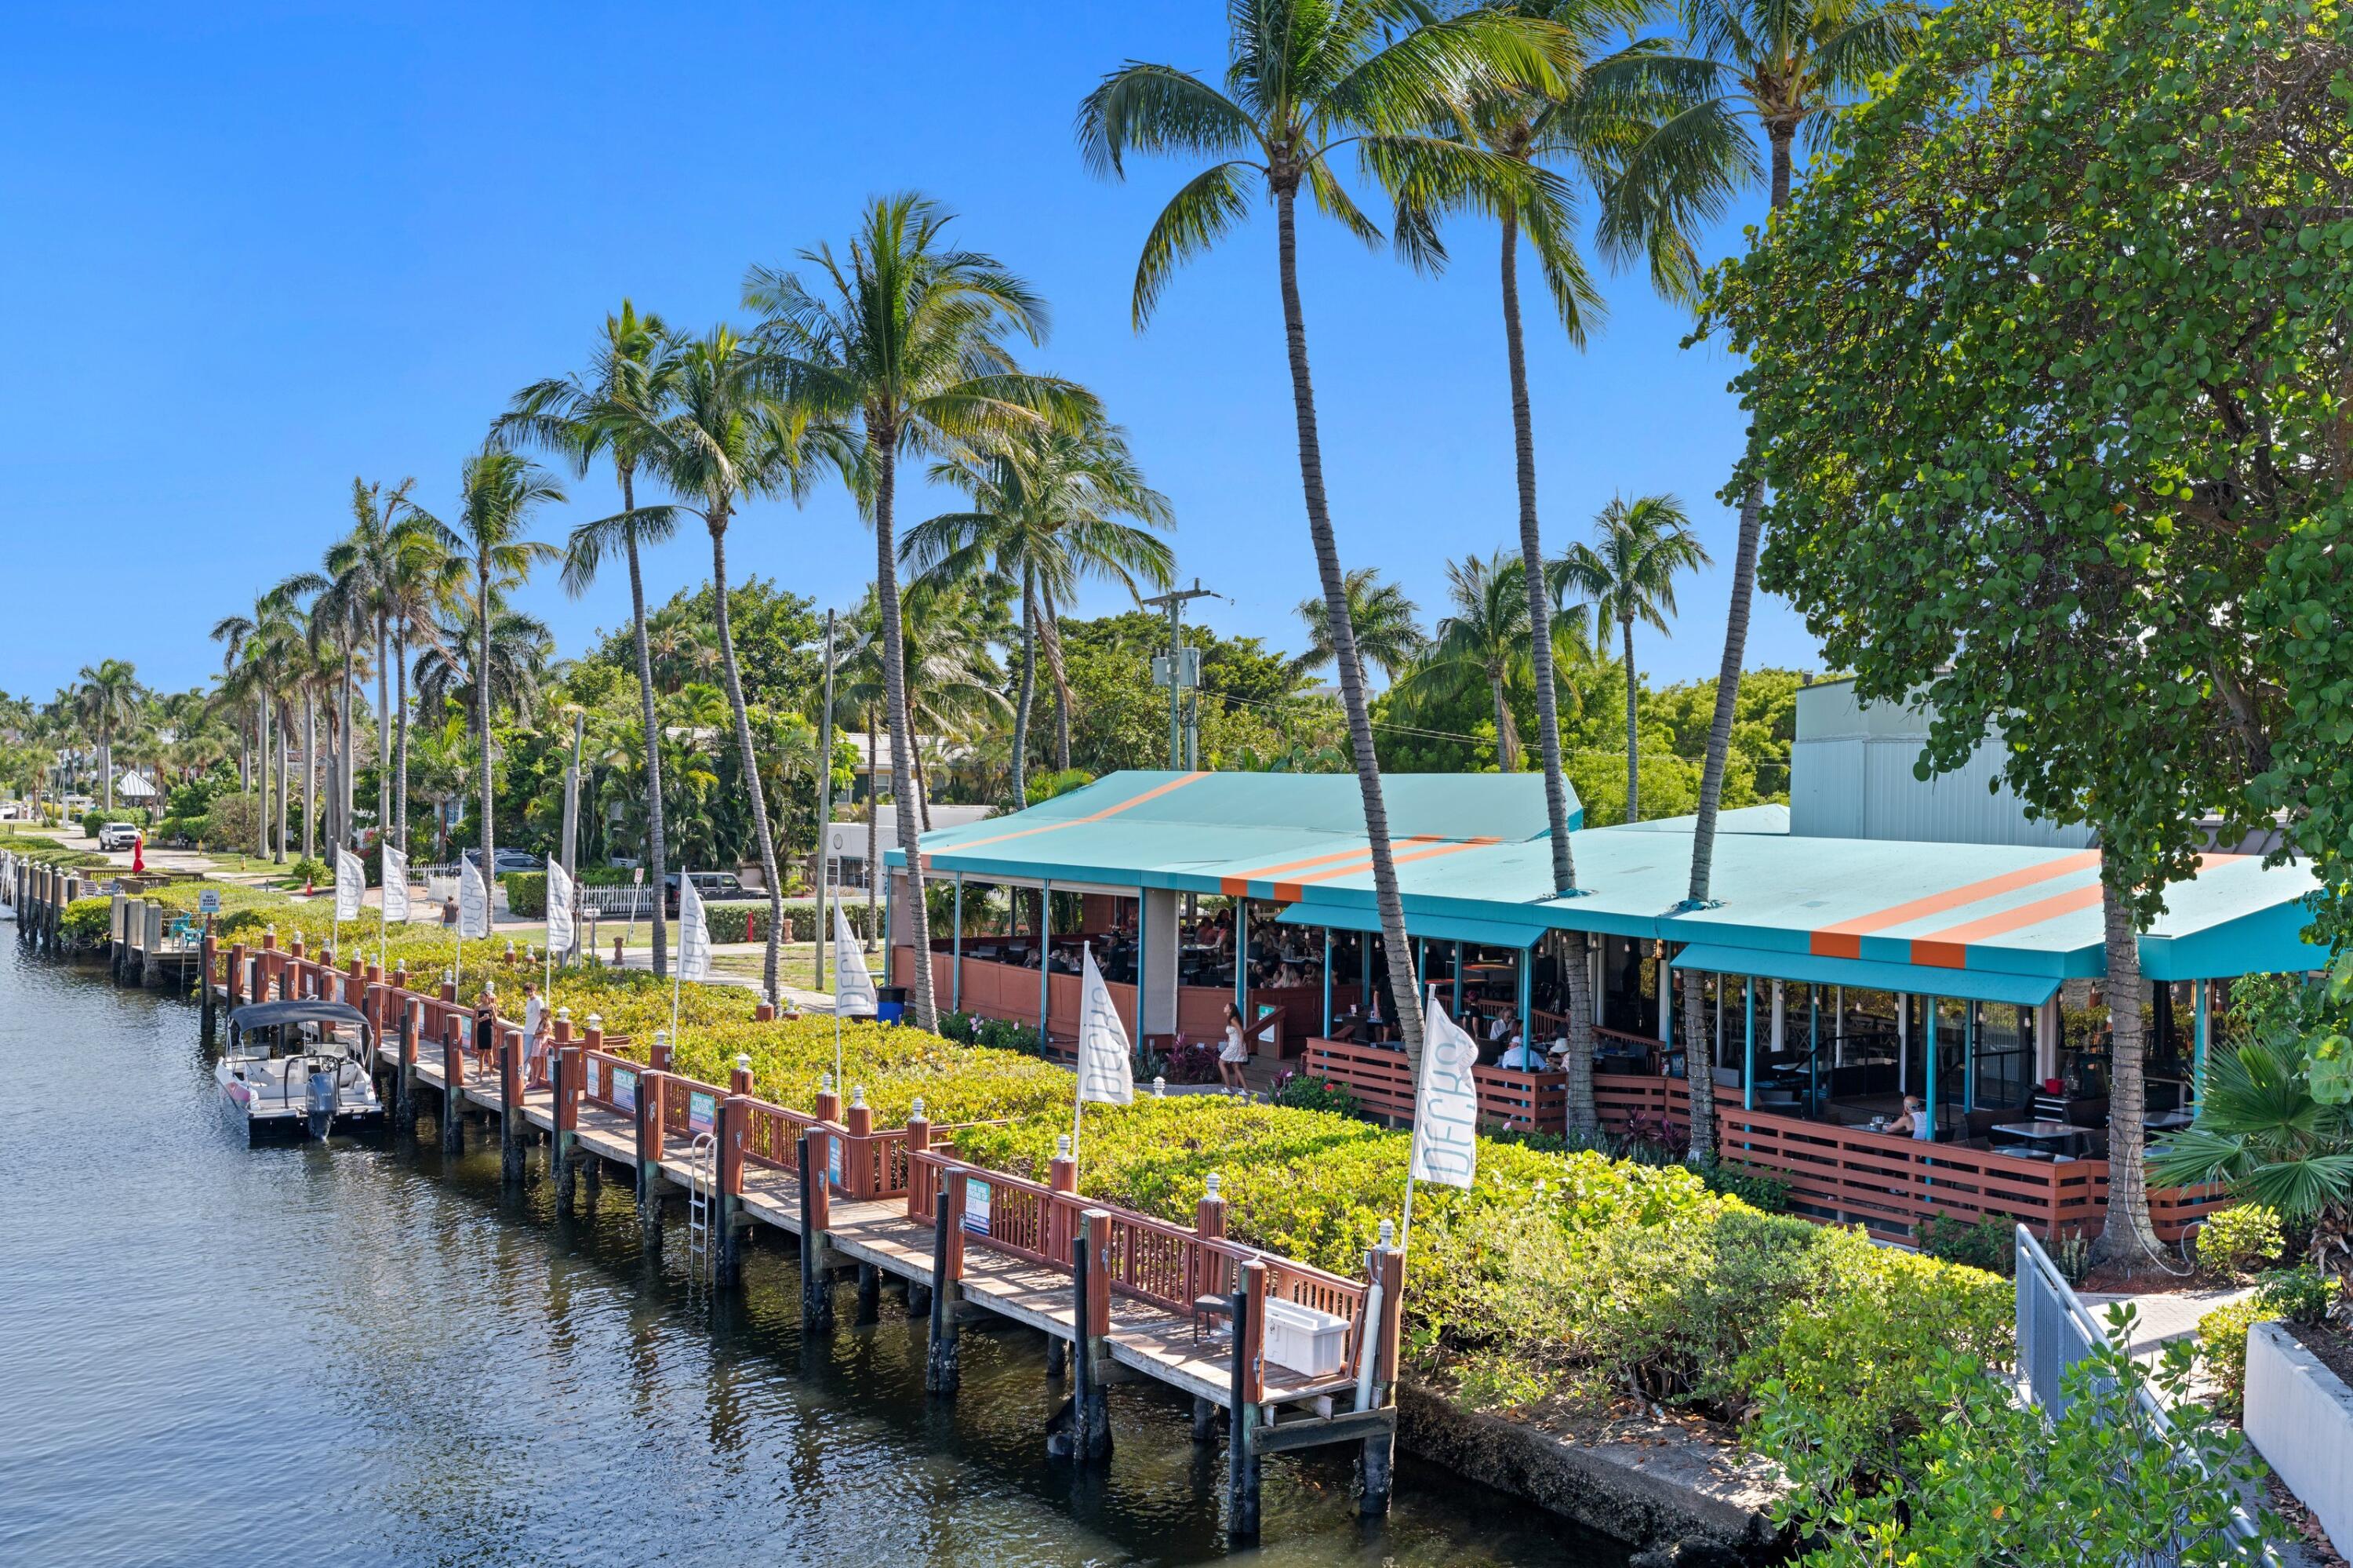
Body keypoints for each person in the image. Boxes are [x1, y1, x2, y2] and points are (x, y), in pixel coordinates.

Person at [1218, 1000, 1249, 1092]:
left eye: (1226, 1007)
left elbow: (1241, 1032)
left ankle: (1228, 1087)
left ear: (1230, 1010)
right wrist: (1227, 1044)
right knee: (1236, 1067)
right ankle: (1246, 1090)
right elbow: (1232, 1034)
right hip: (1232, 1044)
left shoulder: (1233, 1019)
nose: (1224, 1008)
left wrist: (1240, 1047)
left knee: (1221, 1063)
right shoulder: (1231, 1019)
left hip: (1236, 1045)